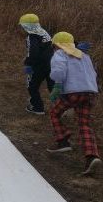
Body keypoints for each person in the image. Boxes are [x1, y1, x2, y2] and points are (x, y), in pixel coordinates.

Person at [46, 31, 101, 175]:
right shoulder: (85, 56)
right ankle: (92, 156)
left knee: (54, 112)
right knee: (84, 124)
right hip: (90, 92)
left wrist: (57, 86)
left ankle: (63, 140)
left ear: (56, 45)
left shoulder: (60, 54)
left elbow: (59, 71)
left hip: (73, 92)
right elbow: (93, 74)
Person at [18, 13, 54, 114]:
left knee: (32, 86)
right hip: (51, 64)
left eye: (23, 26)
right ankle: (60, 107)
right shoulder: (44, 32)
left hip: (38, 66)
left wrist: (28, 64)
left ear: (27, 26)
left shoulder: (32, 37)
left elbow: (33, 52)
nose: (22, 28)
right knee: (52, 86)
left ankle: (37, 107)